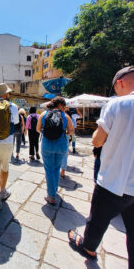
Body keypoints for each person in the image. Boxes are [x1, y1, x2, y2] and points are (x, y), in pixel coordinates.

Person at [68, 66, 134, 267]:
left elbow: (97, 141)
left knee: (97, 219)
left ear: (120, 83)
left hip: (114, 179)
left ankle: (87, 246)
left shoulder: (118, 104)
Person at [37, 97, 74, 205]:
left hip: (47, 145)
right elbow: (71, 131)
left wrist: (46, 132)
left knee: (49, 169)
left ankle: (51, 195)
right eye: (64, 106)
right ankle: (54, 191)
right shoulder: (65, 116)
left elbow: (37, 129)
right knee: (56, 168)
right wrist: (63, 133)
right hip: (61, 145)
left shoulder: (43, 114)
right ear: (60, 105)